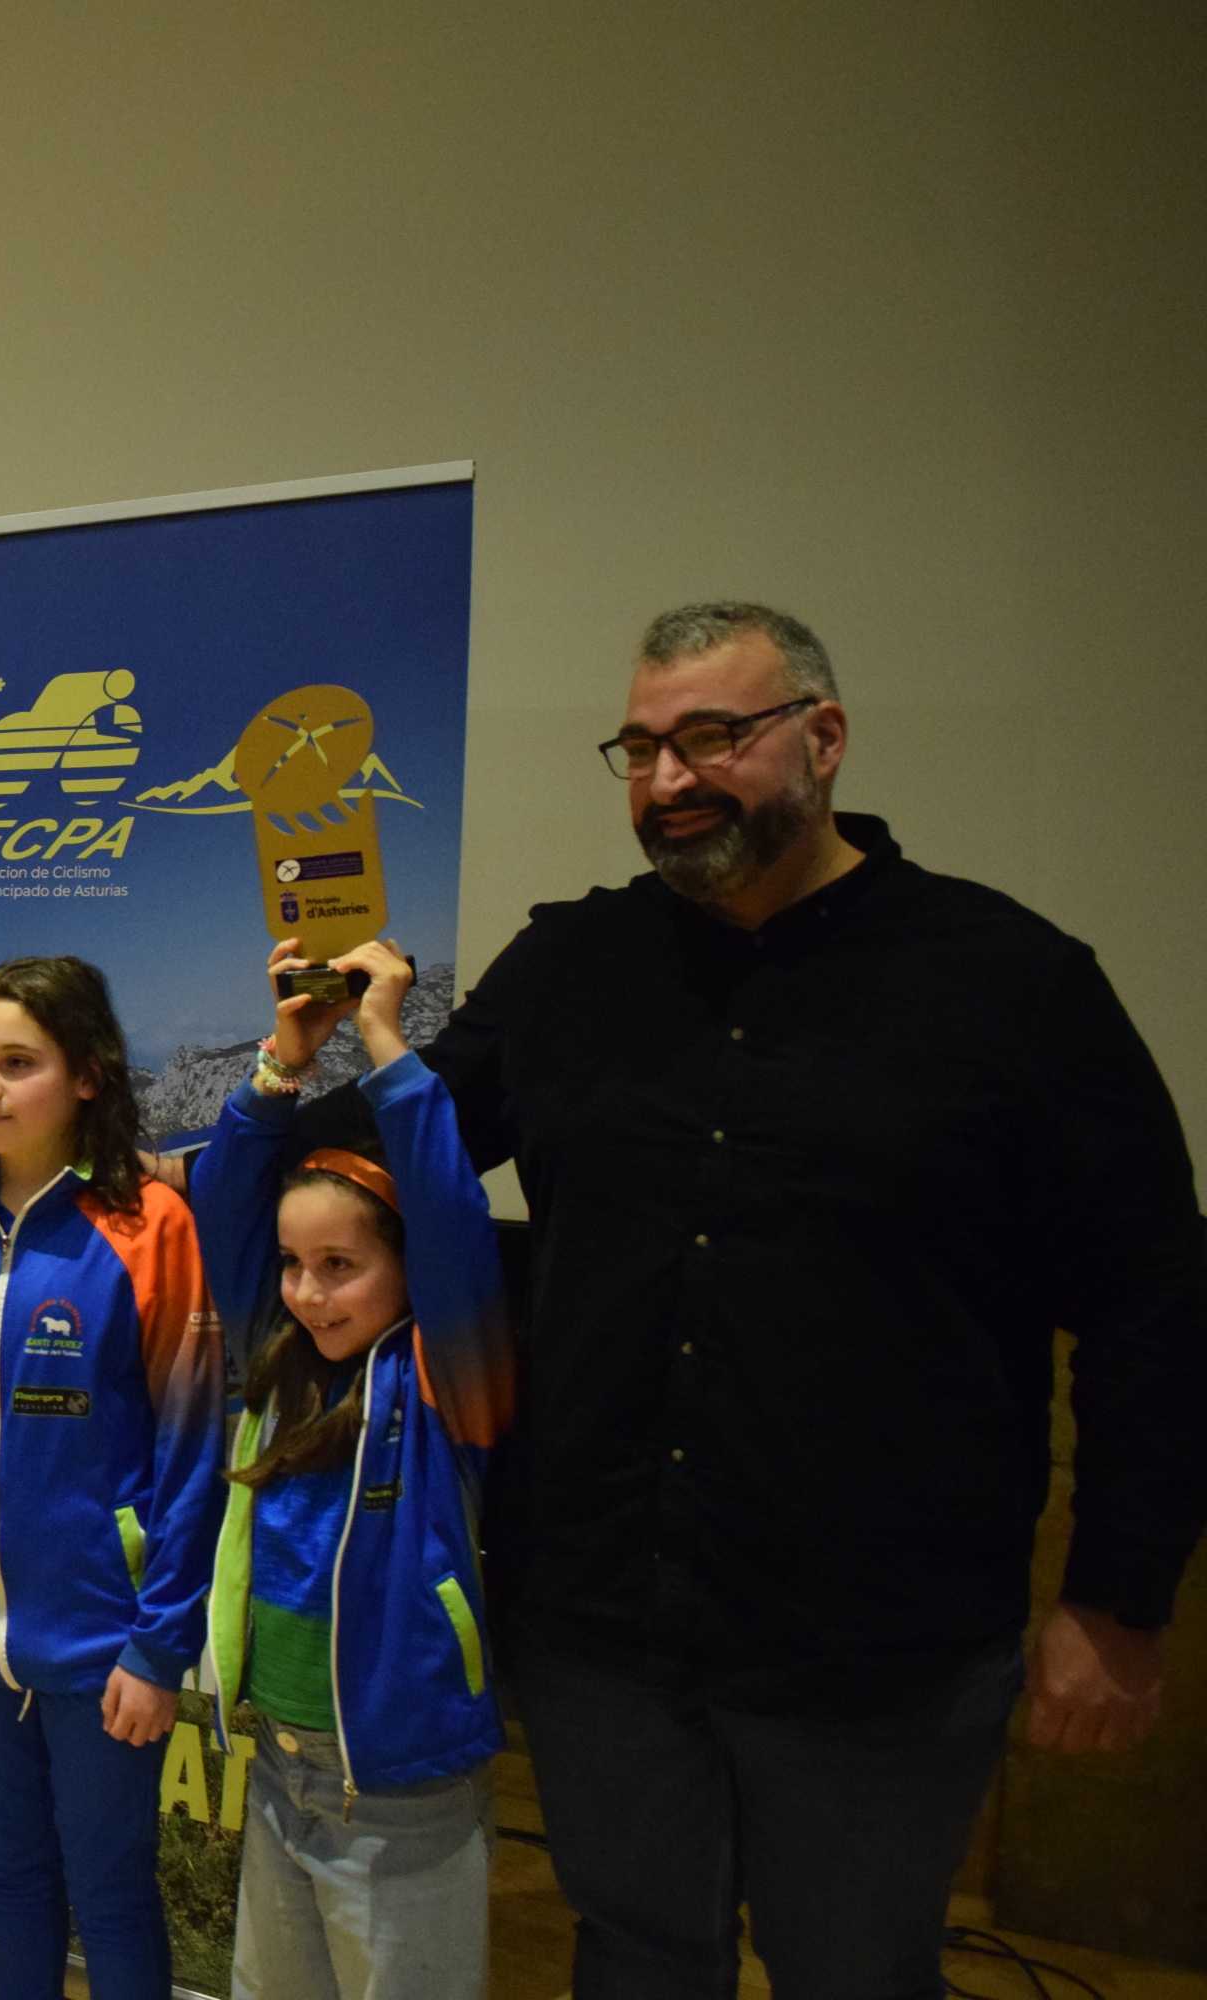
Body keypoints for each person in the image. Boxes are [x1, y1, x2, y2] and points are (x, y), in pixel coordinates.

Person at [417, 602, 1206, 1992]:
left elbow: (1155, 1299)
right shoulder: (569, 972)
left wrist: (1116, 1598)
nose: (669, 782)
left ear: (822, 738)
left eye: (713, 738)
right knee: (639, 1952)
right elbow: (396, 1162)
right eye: (643, 748)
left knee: (855, 1968)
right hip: (600, 1622)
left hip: (877, 1651)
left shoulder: (1012, 987)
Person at [0, 955, 216, 2000]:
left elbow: (191, 1445)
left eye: (16, 1061)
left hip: (101, 1634)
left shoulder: (150, 1228)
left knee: (110, 1885)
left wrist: (160, 1641)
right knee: (11, 1874)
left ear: (87, 1074)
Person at [192, 939, 513, 1998]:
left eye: (342, 1266)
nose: (309, 1292)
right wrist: (283, 1060)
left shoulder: (443, 1378)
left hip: (400, 1779)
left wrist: (383, 1039)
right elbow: (223, 1202)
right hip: (281, 1765)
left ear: (406, 1265)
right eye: (291, 1264)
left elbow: (455, 1214)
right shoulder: (277, 1366)